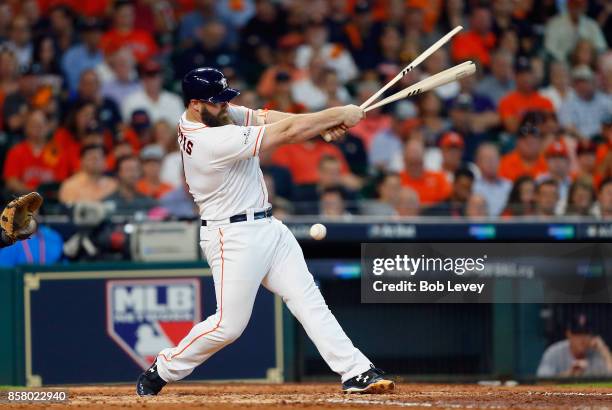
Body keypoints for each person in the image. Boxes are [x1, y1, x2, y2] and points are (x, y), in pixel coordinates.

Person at [136, 67, 393, 396]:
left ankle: (356, 371)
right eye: (218, 102)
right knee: (228, 326)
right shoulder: (210, 140)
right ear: (196, 104)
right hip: (233, 237)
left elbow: (264, 117)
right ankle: (164, 368)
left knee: (309, 300)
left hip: (268, 227)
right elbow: (285, 133)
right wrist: (338, 113)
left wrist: (323, 125)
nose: (226, 107)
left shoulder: (214, 116)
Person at [537, 313, 612, 377]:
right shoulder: (554, 352)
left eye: (586, 333)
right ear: (569, 334)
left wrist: (603, 349)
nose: (582, 338)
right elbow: (541, 382)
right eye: (578, 334)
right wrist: (569, 374)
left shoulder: (597, 352)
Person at [473, 143, 512, 216]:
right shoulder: (473, 186)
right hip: (481, 226)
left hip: (505, 226)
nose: (491, 162)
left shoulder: (509, 186)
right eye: (486, 158)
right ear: (478, 162)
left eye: (494, 158)